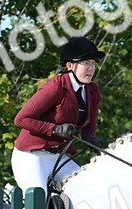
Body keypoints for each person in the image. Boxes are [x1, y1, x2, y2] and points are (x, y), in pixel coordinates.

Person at [11, 37, 104, 193]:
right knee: (38, 199)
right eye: (86, 63)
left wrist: (89, 136)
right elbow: (20, 119)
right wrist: (55, 129)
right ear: (70, 65)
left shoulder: (92, 91)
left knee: (87, 190)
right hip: (31, 155)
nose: (91, 68)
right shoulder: (55, 87)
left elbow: (90, 123)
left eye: (93, 64)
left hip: (58, 156)